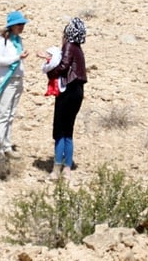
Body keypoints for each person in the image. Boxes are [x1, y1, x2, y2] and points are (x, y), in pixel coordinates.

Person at [49, 17, 87, 179]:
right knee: (68, 130)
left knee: (59, 130)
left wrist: (50, 69)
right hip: (78, 92)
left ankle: (56, 168)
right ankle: (67, 168)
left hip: (67, 91)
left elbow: (64, 66)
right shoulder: (79, 49)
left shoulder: (69, 46)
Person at [0, 10, 30, 156]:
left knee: (11, 113)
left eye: (22, 24)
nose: (21, 27)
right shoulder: (1, 40)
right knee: (3, 113)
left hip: (17, 80)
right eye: (18, 24)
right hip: (5, 80)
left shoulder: (18, 40)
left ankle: (6, 145)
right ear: (12, 25)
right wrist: (17, 58)